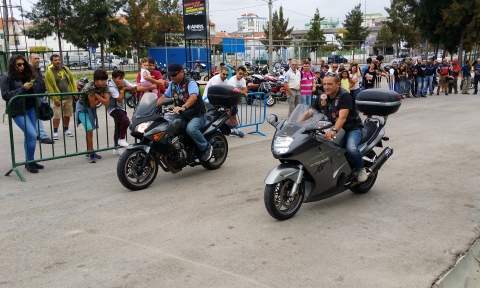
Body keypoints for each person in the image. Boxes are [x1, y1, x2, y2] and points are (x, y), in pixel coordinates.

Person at [297, 73, 367, 183]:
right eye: (324, 84)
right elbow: (310, 112)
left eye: (329, 84)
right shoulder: (323, 96)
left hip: (350, 128)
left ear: (338, 84)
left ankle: (360, 168)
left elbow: (342, 118)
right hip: (329, 127)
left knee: (351, 149)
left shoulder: (345, 96)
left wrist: (334, 130)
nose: (326, 87)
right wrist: (296, 123)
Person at [155, 63, 212, 162]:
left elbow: (193, 97)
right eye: (170, 75)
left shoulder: (190, 83)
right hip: (183, 114)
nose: (172, 77)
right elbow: (164, 96)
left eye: (174, 75)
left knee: (191, 129)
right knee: (168, 125)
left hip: (197, 115)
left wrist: (183, 107)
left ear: (181, 72)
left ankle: (206, 147)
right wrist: (154, 105)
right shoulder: (173, 84)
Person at [1, 55, 45, 173]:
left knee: (29, 135)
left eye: (23, 64)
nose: (22, 67)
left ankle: (30, 161)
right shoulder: (6, 77)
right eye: (19, 65)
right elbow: (5, 95)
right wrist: (22, 88)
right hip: (18, 110)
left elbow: (37, 88)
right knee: (31, 134)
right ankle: (29, 162)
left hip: (31, 108)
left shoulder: (26, 74)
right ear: (12, 65)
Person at [76, 69, 110, 163]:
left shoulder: (105, 86)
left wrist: (97, 96)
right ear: (96, 80)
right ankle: (90, 153)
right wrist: (101, 97)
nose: (104, 82)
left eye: (105, 80)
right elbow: (93, 104)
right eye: (101, 80)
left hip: (90, 109)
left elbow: (107, 102)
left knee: (90, 131)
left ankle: (90, 150)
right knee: (89, 129)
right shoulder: (90, 88)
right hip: (82, 109)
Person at [45, 54, 77, 140]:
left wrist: (75, 92)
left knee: (68, 114)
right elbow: (50, 87)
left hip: (68, 96)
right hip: (58, 98)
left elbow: (71, 80)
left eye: (59, 59)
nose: (58, 61)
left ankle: (66, 130)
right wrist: (55, 98)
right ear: (52, 61)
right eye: (55, 60)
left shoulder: (65, 69)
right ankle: (55, 132)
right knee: (57, 116)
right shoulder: (49, 72)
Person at [107, 70, 136, 155]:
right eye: (119, 78)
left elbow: (133, 87)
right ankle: (121, 139)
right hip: (112, 108)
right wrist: (122, 89)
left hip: (121, 107)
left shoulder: (122, 81)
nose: (121, 80)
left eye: (122, 78)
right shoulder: (111, 87)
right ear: (113, 78)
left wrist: (124, 87)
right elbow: (119, 99)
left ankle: (116, 148)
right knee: (125, 121)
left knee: (118, 126)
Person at [29, 53, 54, 144]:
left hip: (39, 95)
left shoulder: (36, 69)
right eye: (35, 58)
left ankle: (36, 134)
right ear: (30, 59)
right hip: (35, 96)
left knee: (36, 116)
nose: (37, 60)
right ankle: (43, 135)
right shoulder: (29, 69)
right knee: (38, 115)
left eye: (38, 58)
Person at [227, 66, 248, 137]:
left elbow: (245, 90)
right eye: (240, 73)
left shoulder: (243, 80)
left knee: (233, 116)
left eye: (243, 74)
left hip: (234, 101)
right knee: (227, 116)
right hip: (228, 100)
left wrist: (242, 92)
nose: (241, 75)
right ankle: (230, 130)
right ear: (236, 72)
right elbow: (235, 91)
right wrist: (242, 92)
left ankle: (237, 130)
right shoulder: (232, 80)